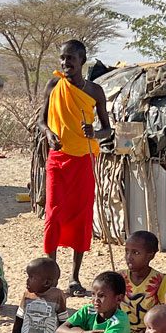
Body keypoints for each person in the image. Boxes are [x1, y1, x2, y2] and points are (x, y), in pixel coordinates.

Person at [40, 40, 112, 298]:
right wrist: (48, 133)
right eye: (62, 58)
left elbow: (108, 129)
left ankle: (73, 277)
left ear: (82, 60)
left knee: (81, 216)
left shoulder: (94, 91)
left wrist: (95, 133)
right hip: (57, 160)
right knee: (53, 215)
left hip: (83, 161)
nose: (65, 63)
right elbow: (41, 121)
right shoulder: (53, 85)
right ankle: (51, 274)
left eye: (70, 58)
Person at [121, 230, 166, 333]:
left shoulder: (160, 280)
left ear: (151, 255)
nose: (129, 257)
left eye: (135, 253)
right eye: (127, 251)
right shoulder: (119, 278)